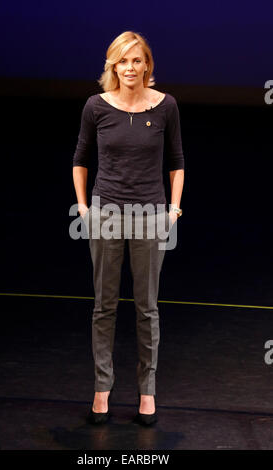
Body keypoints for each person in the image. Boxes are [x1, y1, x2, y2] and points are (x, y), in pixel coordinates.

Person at [72, 31, 185, 425]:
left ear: (147, 65)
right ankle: (102, 389)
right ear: (113, 66)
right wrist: (84, 208)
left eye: (137, 60)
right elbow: (80, 157)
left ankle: (147, 391)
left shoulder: (165, 105)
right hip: (105, 215)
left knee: (146, 309)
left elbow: (176, 160)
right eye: (123, 61)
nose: (130, 68)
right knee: (103, 307)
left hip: (151, 216)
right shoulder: (96, 107)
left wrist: (173, 211)